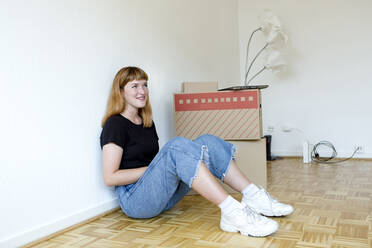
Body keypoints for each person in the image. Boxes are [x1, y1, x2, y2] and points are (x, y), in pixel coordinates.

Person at [100, 66, 293, 237]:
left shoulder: (147, 122)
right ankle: (233, 212)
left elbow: (160, 165)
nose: (142, 91)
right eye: (135, 86)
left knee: (207, 141)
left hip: (161, 198)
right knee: (175, 146)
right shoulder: (115, 125)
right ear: (121, 92)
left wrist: (161, 168)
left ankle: (253, 195)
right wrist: (153, 169)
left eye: (144, 85)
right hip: (135, 201)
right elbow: (110, 178)